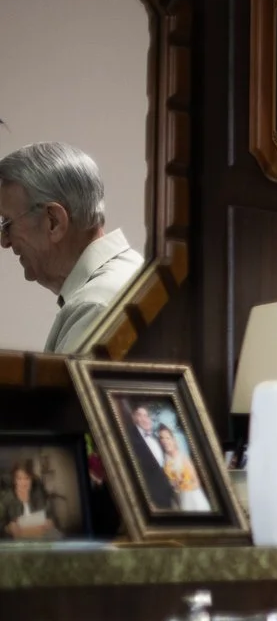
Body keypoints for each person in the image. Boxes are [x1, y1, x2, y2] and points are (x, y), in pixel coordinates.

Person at [0, 142, 145, 354]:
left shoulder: (95, 306)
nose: (4, 242)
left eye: (7, 223)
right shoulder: (126, 277)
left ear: (54, 221)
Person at [125, 403, 179, 512]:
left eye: (146, 415)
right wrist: (147, 500)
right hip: (151, 500)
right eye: (140, 415)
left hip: (167, 494)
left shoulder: (156, 438)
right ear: (134, 418)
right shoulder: (131, 441)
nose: (145, 419)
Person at [155, 424, 210, 513]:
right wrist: (174, 484)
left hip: (194, 499)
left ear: (173, 440)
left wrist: (186, 485)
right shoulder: (164, 460)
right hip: (179, 500)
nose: (165, 441)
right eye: (162, 438)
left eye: (167, 438)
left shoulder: (183, 457)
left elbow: (196, 482)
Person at [2, 458, 60, 540]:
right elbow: (2, 525)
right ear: (14, 480)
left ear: (32, 479)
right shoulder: (7, 498)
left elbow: (52, 516)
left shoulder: (39, 494)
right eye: (19, 478)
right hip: (18, 539)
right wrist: (8, 528)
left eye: (27, 478)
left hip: (41, 536)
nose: (23, 483)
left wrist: (51, 522)